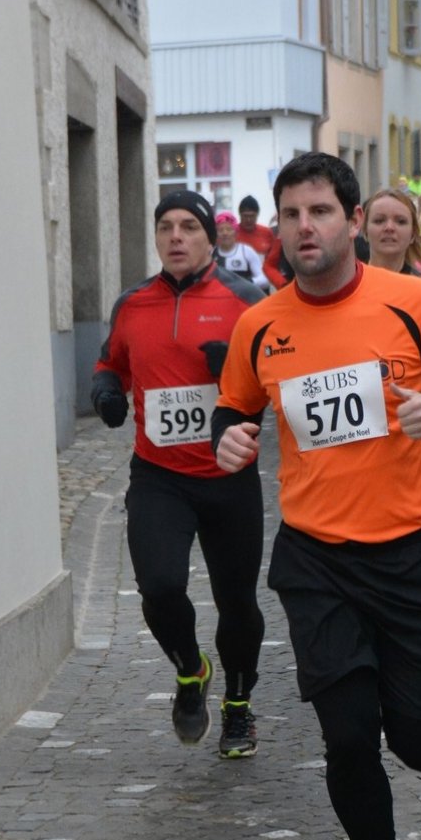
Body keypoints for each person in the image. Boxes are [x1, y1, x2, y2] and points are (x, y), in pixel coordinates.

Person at [213, 152, 421, 840]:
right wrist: (229, 436)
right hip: (316, 559)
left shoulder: (413, 302)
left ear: (351, 220)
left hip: (409, 554)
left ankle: (407, 713)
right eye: (291, 214)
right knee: (346, 735)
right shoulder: (258, 325)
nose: (304, 227)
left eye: (319, 212)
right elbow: (233, 408)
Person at [92, 190, 267, 757]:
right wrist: (105, 392)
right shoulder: (132, 304)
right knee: (160, 587)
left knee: (237, 603)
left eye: (188, 226)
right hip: (159, 475)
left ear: (209, 237)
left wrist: (235, 373)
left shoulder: (246, 301)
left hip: (228, 474)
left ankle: (238, 706)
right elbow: (111, 363)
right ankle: (191, 669)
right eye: (165, 226)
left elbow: (278, 378)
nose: (175, 237)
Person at [363, 185, 421, 277]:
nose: (389, 227)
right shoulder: (348, 282)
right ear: (365, 230)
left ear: (413, 234)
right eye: (379, 221)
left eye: (401, 221)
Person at [236, 194, 288, 289]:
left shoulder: (266, 232)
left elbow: (274, 260)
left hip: (263, 284)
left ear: (257, 215)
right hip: (240, 284)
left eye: (252, 216)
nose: (248, 220)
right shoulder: (232, 234)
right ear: (240, 215)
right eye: (245, 216)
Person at [215, 210, 270, 291]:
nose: (225, 233)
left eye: (229, 229)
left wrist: (244, 284)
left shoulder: (246, 252)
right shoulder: (210, 254)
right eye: (220, 230)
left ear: (236, 232)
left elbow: (264, 280)